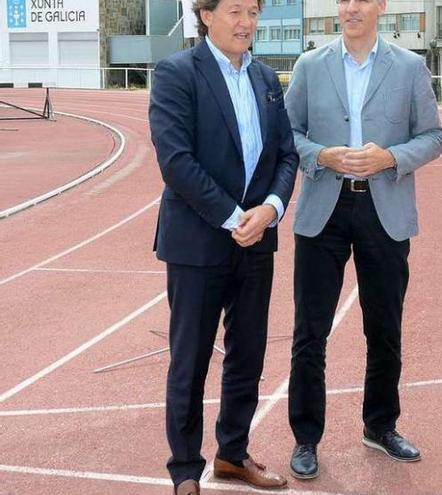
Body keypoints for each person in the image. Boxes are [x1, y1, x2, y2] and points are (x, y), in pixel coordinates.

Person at [282, 0, 442, 480]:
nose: (351, 7)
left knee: (385, 329)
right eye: (344, 0)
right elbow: (286, 133)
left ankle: (381, 425)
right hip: (323, 211)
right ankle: (306, 437)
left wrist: (390, 158)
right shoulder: (310, 66)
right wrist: (321, 155)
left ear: (380, 7)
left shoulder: (411, 67)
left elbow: (433, 137)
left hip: (384, 210)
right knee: (310, 332)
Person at [149, 0, 297, 493]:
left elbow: (286, 155)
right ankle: (185, 470)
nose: (246, 22)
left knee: (248, 354)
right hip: (198, 242)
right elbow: (176, 161)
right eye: (234, 10)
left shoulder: (267, 79)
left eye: (253, 12)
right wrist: (237, 218)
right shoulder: (176, 73)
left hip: (256, 239)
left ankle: (233, 453)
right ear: (205, 15)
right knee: (189, 358)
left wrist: (272, 208)